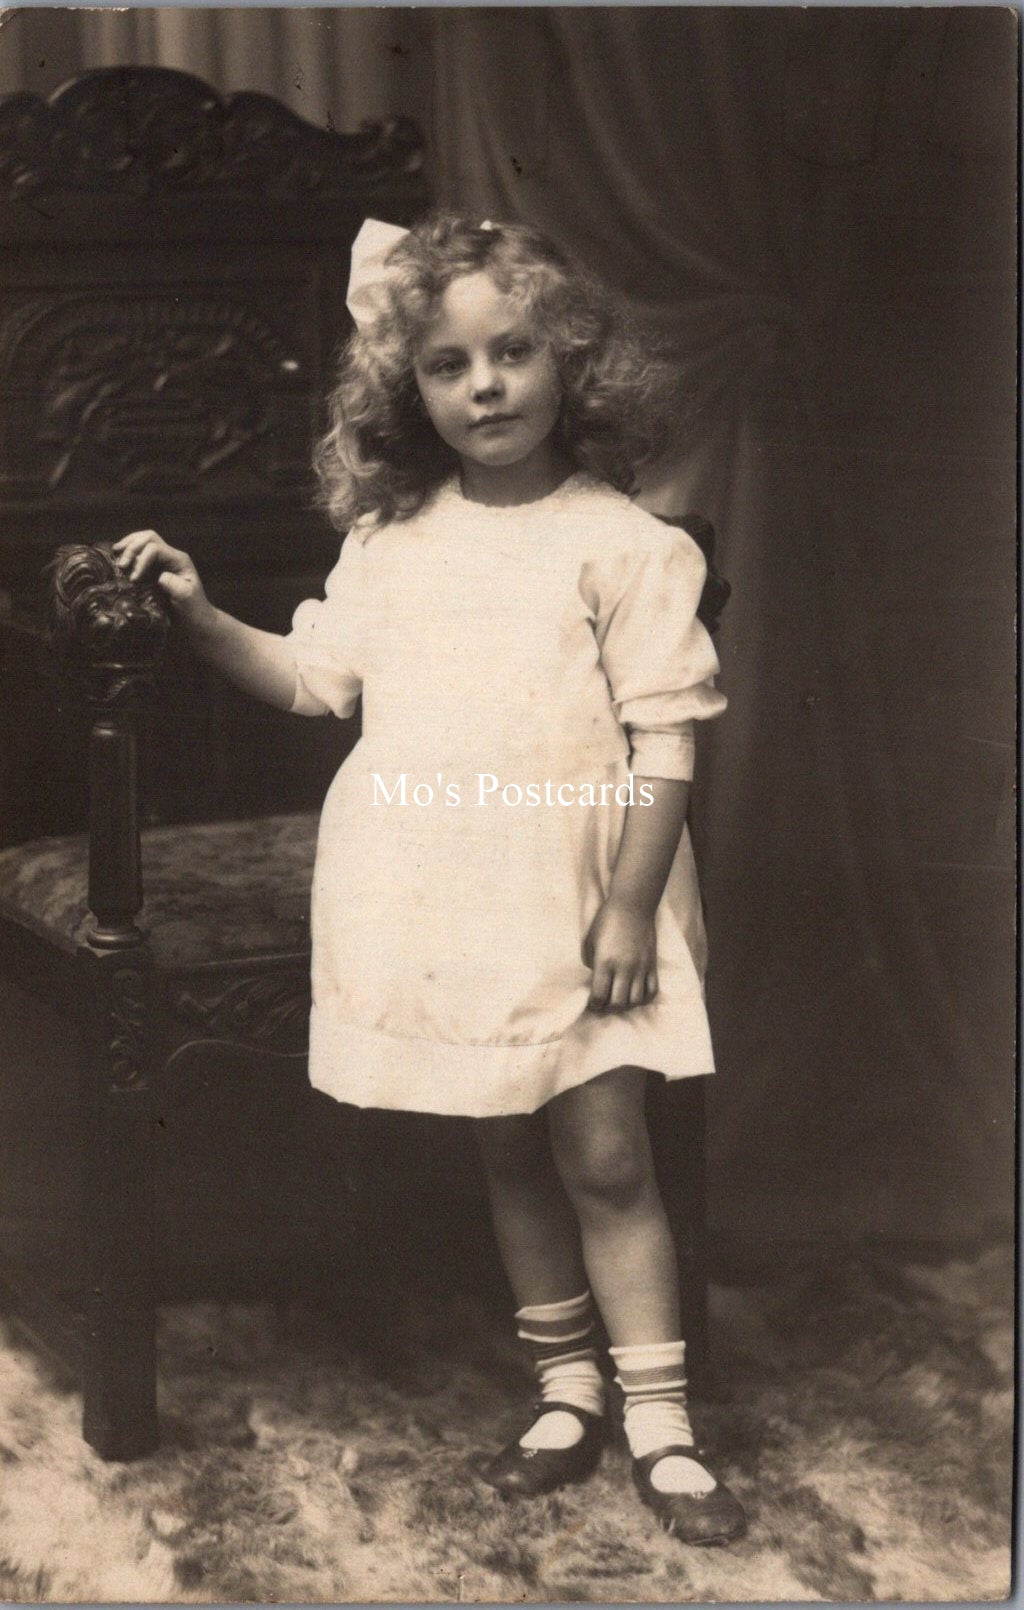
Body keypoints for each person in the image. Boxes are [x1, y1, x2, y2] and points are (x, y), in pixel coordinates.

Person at [113, 213, 745, 1546]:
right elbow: (311, 678)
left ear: (568, 360)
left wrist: (631, 900)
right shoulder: (393, 545)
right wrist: (197, 607)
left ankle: (665, 1419)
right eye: (452, 365)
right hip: (440, 889)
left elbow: (668, 737)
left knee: (606, 1147)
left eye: (513, 351)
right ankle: (565, 1389)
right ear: (412, 393)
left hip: (581, 892)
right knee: (504, 1132)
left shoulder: (620, 542)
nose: (489, 386)